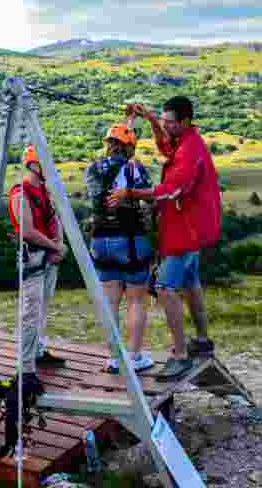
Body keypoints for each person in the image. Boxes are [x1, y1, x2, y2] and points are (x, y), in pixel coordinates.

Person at [110, 96, 222, 381]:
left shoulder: (190, 151)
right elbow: (165, 146)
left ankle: (182, 355)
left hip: (186, 228)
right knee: (190, 281)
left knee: (164, 288)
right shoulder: (184, 140)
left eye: (169, 122)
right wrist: (149, 118)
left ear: (185, 121)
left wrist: (130, 193)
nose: (165, 126)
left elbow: (171, 190)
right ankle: (203, 341)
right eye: (164, 120)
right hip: (192, 225)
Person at [84, 122, 155, 374]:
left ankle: (114, 358)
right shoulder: (134, 168)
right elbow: (150, 197)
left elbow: (97, 198)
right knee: (136, 300)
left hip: (101, 239)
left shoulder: (93, 168)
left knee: (110, 301)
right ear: (128, 148)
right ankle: (133, 356)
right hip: (130, 238)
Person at [8, 145, 68, 381]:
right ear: (34, 164)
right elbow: (28, 231)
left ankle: (38, 351)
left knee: (42, 309)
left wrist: (59, 246)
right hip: (33, 257)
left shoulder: (44, 191)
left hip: (48, 256)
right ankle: (26, 369)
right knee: (30, 313)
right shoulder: (19, 193)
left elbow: (56, 218)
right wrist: (56, 247)